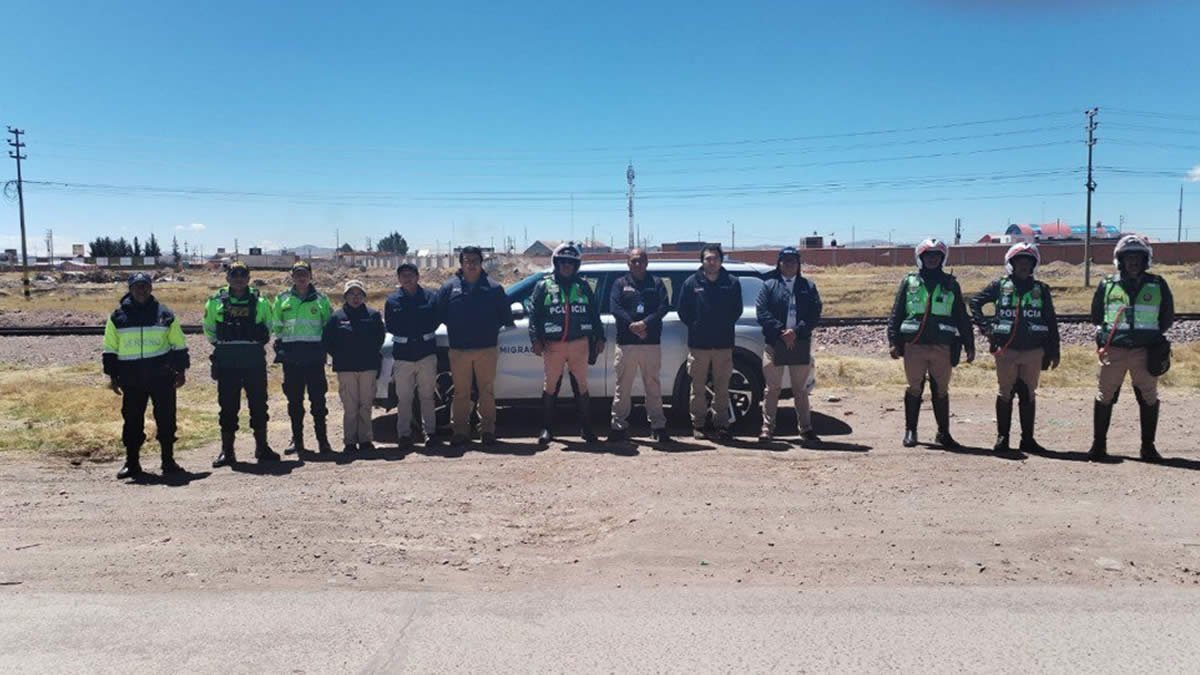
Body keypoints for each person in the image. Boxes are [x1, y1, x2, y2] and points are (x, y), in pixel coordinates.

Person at [1088, 234, 1175, 463]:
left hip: (1145, 351)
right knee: (1105, 395)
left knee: (1149, 397)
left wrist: (1149, 335)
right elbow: (1097, 315)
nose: (1133, 262)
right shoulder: (1107, 284)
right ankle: (1098, 445)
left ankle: (1148, 447)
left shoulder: (1158, 284)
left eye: (1138, 257)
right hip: (1114, 350)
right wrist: (1105, 337)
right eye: (1129, 258)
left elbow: (1167, 317)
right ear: (1120, 260)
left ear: (1146, 260)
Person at [970, 242, 1061, 454]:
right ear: (1011, 263)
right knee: (1005, 392)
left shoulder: (1041, 289)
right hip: (1006, 350)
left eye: (1028, 262)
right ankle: (1002, 438)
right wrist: (986, 328)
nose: (1023, 266)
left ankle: (1027, 439)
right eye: (1019, 261)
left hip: (1033, 350)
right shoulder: (999, 286)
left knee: (1028, 393)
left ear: (1034, 265)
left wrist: (1054, 351)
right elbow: (974, 302)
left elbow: (1050, 320)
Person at [887, 238, 975, 449]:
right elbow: (897, 313)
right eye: (928, 255)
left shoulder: (951, 284)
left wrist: (969, 344)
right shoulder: (909, 282)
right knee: (914, 388)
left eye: (936, 256)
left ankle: (943, 433)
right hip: (914, 345)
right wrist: (893, 341)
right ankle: (911, 431)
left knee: (941, 389)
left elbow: (961, 316)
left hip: (942, 346)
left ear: (942, 258)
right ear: (921, 257)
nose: (932, 259)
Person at [102, 272, 190, 479]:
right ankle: (132, 463)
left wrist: (181, 370)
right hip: (131, 378)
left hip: (162, 376)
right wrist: (112, 375)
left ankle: (168, 461)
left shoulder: (165, 315)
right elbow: (110, 347)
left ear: (150, 288)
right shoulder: (118, 317)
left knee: (167, 419)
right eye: (137, 286)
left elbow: (178, 343)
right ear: (130, 289)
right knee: (132, 421)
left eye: (145, 286)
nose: (141, 290)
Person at [436, 246, 514, 446]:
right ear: (461, 264)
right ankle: (460, 431)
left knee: (486, 391)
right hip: (459, 349)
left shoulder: (494, 289)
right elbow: (440, 315)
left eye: (475, 261)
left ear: (481, 263)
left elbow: (505, 317)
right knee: (461, 392)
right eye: (467, 261)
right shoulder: (448, 288)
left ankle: (487, 431)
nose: (471, 265)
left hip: (486, 349)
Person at [529, 241, 605, 445]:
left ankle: (587, 428)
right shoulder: (543, 286)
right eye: (562, 261)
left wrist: (600, 337)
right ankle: (546, 428)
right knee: (550, 385)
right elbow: (534, 315)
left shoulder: (583, 286)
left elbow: (594, 313)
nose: (566, 266)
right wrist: (535, 339)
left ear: (576, 265)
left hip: (580, 343)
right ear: (556, 262)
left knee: (581, 385)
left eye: (571, 262)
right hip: (553, 345)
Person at [204, 262, 278, 467]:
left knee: (259, 404)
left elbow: (269, 326)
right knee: (228, 406)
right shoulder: (215, 302)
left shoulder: (261, 302)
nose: (238, 279)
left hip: (253, 360)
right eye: (234, 275)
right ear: (227, 278)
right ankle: (227, 452)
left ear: (248, 278)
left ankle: (262, 448)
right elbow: (209, 329)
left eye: (242, 275)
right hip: (227, 361)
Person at [755, 246, 822, 446]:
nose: (789, 264)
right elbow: (762, 312)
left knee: (800, 389)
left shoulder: (808, 286)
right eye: (785, 261)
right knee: (772, 389)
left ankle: (806, 429)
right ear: (779, 263)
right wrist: (780, 331)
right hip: (775, 343)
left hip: (799, 343)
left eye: (793, 261)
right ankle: (767, 428)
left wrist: (796, 332)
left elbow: (814, 313)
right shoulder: (769, 285)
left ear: (798, 264)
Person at [677, 243, 744, 441]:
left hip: (723, 344)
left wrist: (722, 326)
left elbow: (737, 310)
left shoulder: (731, 282)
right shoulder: (691, 283)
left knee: (722, 387)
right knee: (697, 388)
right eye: (708, 258)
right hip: (699, 345)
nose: (712, 262)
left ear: (721, 260)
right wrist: (697, 325)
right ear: (702, 261)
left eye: (715, 258)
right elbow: (683, 311)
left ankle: (721, 424)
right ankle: (698, 424)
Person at [608, 248, 670, 443]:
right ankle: (618, 426)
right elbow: (615, 307)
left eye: (641, 260)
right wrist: (632, 325)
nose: (637, 264)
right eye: (634, 260)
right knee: (623, 387)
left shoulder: (656, 283)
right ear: (628, 262)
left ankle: (658, 426)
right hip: (626, 343)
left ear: (647, 262)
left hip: (650, 342)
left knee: (653, 386)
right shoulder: (620, 283)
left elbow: (663, 307)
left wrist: (645, 323)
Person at [272, 260, 334, 455]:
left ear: (310, 276)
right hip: (291, 357)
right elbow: (276, 325)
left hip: (314, 356)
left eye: (304, 274)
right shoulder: (282, 299)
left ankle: (323, 441)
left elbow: (328, 325)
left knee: (318, 400)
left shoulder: (321, 300)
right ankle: (297, 441)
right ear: (292, 276)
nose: (301, 277)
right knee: (294, 401)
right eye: (297, 274)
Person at [323, 279, 385, 453]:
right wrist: (340, 355)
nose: (355, 298)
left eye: (359, 294)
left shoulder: (373, 315)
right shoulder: (336, 317)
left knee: (365, 406)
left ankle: (365, 440)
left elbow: (379, 338)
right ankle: (350, 442)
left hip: (368, 367)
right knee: (350, 407)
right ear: (345, 296)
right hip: (346, 368)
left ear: (364, 296)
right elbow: (327, 341)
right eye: (351, 294)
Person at [385, 263, 442, 448]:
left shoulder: (430, 297)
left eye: (410, 275)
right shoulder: (392, 301)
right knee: (404, 398)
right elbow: (391, 325)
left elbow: (436, 320)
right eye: (403, 275)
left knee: (427, 396)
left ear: (418, 277)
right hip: (403, 355)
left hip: (426, 353)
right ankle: (404, 435)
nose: (407, 279)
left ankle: (430, 433)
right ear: (398, 279)